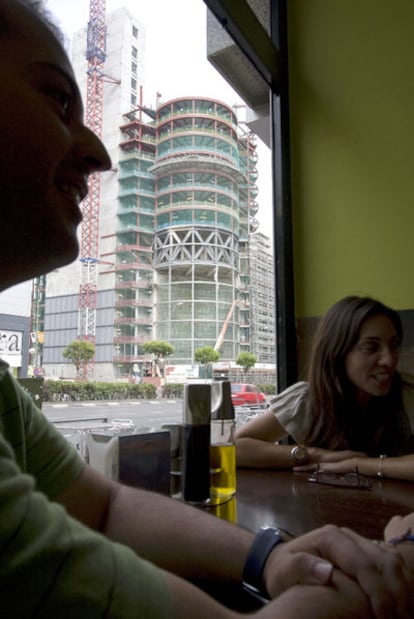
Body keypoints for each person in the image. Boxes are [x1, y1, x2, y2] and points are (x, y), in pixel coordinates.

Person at [1, 1, 414, 617]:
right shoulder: (307, 399)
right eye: (60, 101)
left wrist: (270, 556)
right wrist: (395, 563)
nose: (99, 153)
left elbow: (107, 505)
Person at [236, 295, 414, 482]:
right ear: (338, 352)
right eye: (371, 347)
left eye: (393, 345)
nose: (389, 359)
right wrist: (315, 455)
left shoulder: (407, 395)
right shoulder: (307, 400)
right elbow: (233, 448)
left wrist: (359, 464)